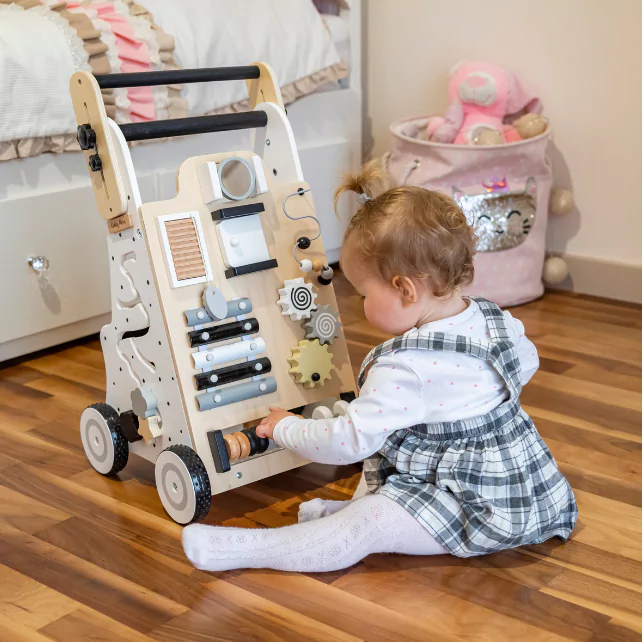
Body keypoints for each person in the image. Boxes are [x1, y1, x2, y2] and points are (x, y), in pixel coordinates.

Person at [182, 161, 578, 572]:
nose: (358, 305)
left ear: (405, 289)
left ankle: (242, 550)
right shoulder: (493, 318)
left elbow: (348, 442)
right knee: (385, 478)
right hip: (520, 487)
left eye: (363, 293)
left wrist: (284, 428)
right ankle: (333, 519)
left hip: (472, 507)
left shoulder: (406, 368)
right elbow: (525, 361)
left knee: (369, 524)